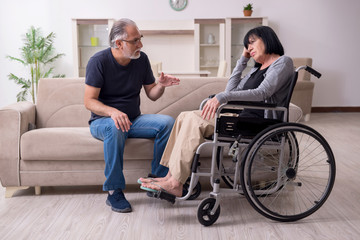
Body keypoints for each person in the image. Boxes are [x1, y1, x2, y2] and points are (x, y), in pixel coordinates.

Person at [140, 26, 294, 197]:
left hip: (260, 123)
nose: (249, 48)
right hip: (242, 118)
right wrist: (243, 60)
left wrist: (222, 97)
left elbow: (262, 93)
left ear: (267, 39)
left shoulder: (283, 62)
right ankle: (169, 176)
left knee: (194, 120)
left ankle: (176, 183)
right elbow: (232, 89)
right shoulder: (257, 68)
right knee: (184, 116)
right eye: (246, 45)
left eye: (252, 43)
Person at [84, 18, 180, 213]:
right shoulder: (98, 62)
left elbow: (152, 94)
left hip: (133, 120)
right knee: (115, 125)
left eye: (140, 38)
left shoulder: (141, 59)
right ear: (118, 43)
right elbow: (89, 101)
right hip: (103, 122)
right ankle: (114, 191)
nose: (141, 44)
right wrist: (112, 112)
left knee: (167, 123)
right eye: (135, 40)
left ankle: (157, 181)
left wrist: (160, 85)